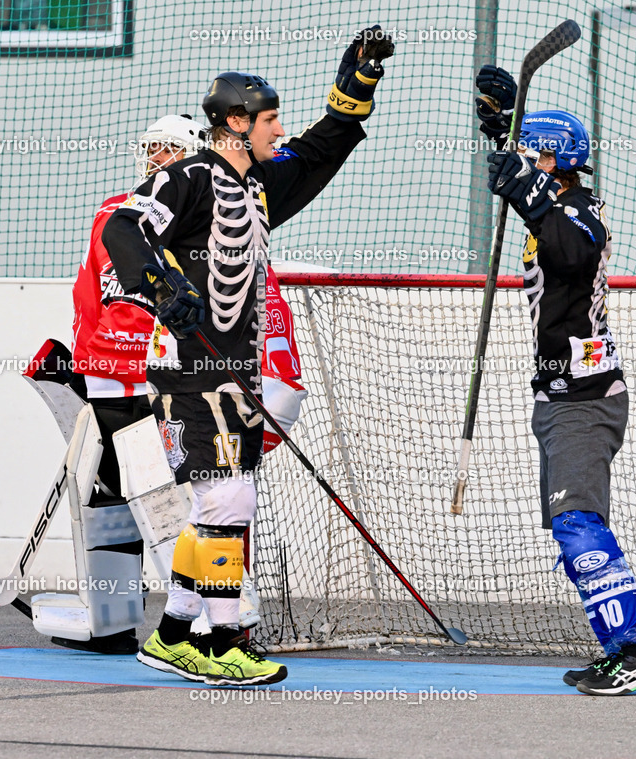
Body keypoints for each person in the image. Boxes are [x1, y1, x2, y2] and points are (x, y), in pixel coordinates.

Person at [103, 26, 394, 686]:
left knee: (216, 506)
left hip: (234, 370)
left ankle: (175, 631)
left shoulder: (257, 183)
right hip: (186, 368)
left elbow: (319, 152)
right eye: (269, 119)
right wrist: (161, 285)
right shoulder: (189, 176)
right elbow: (125, 225)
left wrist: (357, 87)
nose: (278, 128)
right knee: (231, 499)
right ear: (235, 121)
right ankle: (223, 641)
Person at [476, 65, 636, 696]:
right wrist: (498, 132)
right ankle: (618, 646)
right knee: (572, 532)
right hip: (559, 396)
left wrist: (526, 188)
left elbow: (572, 250)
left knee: (578, 525)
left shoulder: (581, 209)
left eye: (534, 154)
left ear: (555, 160)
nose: (524, 166)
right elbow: (528, 192)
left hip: (587, 399)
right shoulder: (550, 202)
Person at [54, 114, 208, 655]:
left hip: (153, 378)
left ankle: (202, 623)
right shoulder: (121, 210)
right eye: (153, 149)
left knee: (168, 495)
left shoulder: (192, 216)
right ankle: (113, 621)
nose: (156, 159)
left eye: (169, 150)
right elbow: (100, 296)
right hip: (117, 378)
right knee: (114, 492)